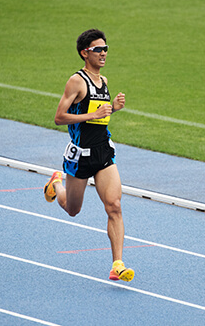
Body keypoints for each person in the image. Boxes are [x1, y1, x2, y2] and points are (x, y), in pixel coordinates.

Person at [43, 29, 134, 282]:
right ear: (85, 53)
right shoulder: (76, 81)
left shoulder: (103, 81)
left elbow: (99, 118)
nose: (103, 53)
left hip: (103, 152)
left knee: (114, 206)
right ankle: (56, 184)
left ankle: (117, 264)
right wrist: (93, 115)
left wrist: (112, 109)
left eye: (106, 49)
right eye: (98, 49)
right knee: (73, 209)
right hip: (80, 155)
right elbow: (59, 118)